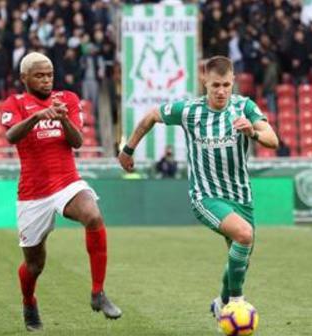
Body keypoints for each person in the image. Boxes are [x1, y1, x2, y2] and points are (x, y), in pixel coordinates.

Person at [118, 56, 278, 321]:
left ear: (233, 81)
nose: (221, 91)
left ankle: (221, 302)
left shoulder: (244, 107)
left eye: (226, 85)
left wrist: (253, 133)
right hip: (206, 196)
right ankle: (237, 305)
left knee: (241, 257)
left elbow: (272, 139)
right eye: (215, 85)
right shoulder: (189, 111)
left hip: (241, 197)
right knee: (244, 235)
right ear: (204, 81)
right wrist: (128, 149)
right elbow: (150, 117)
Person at [1, 52, 122, 331]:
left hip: (67, 182)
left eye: (49, 75)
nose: (46, 80)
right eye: (39, 75)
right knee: (34, 265)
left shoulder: (67, 98)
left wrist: (63, 118)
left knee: (92, 215)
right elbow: (11, 136)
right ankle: (29, 301)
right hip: (33, 193)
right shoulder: (16, 103)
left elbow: (78, 142)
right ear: (25, 78)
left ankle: (97, 293)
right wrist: (38, 116)